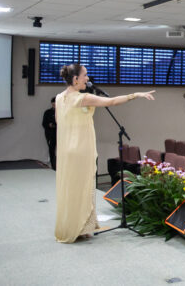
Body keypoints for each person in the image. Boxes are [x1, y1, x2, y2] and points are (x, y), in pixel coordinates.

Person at [54, 63, 155, 243]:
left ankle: (76, 226)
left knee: (72, 188)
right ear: (75, 79)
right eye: (85, 75)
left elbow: (59, 121)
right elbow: (111, 102)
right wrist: (136, 95)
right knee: (83, 188)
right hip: (81, 149)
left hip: (67, 150)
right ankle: (78, 227)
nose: (87, 78)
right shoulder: (82, 98)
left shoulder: (60, 98)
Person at [42, 96, 57, 170]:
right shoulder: (47, 112)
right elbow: (43, 123)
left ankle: (61, 165)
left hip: (60, 133)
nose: (55, 105)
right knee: (52, 150)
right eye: (53, 104)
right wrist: (49, 125)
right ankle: (53, 166)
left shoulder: (62, 112)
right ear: (51, 104)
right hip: (50, 134)